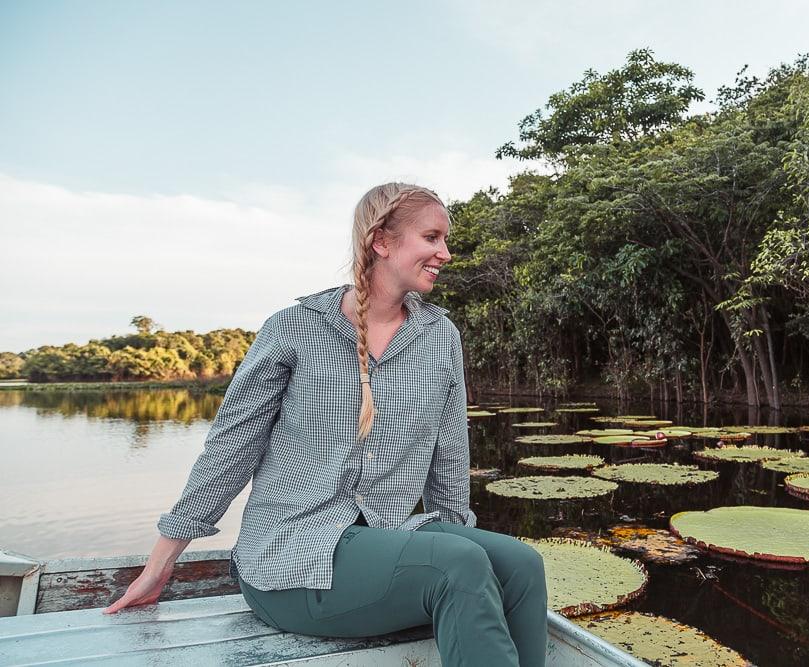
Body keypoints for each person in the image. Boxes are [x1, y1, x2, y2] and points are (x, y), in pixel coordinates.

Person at [104, 182, 548, 666]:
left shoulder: (440, 335)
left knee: (521, 565)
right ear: (381, 241)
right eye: (432, 237)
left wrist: (454, 534)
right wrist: (161, 561)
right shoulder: (293, 328)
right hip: (292, 557)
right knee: (458, 566)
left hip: (389, 532)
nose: (445, 252)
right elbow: (232, 448)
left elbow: (450, 454)